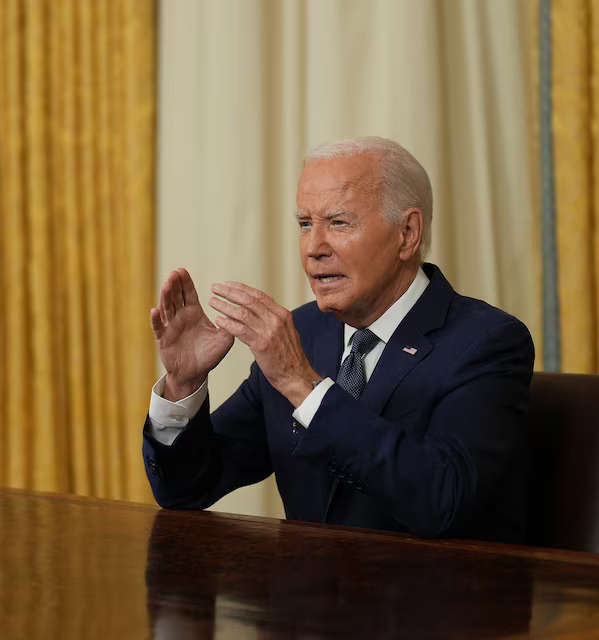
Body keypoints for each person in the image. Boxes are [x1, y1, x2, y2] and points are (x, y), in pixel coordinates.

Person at [143, 137, 535, 543]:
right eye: (305, 224)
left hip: (430, 600)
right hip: (306, 599)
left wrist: (302, 385)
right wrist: (183, 387)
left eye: (339, 222)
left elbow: (442, 502)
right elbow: (187, 488)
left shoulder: (487, 343)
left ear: (407, 233)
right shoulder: (302, 333)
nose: (314, 248)